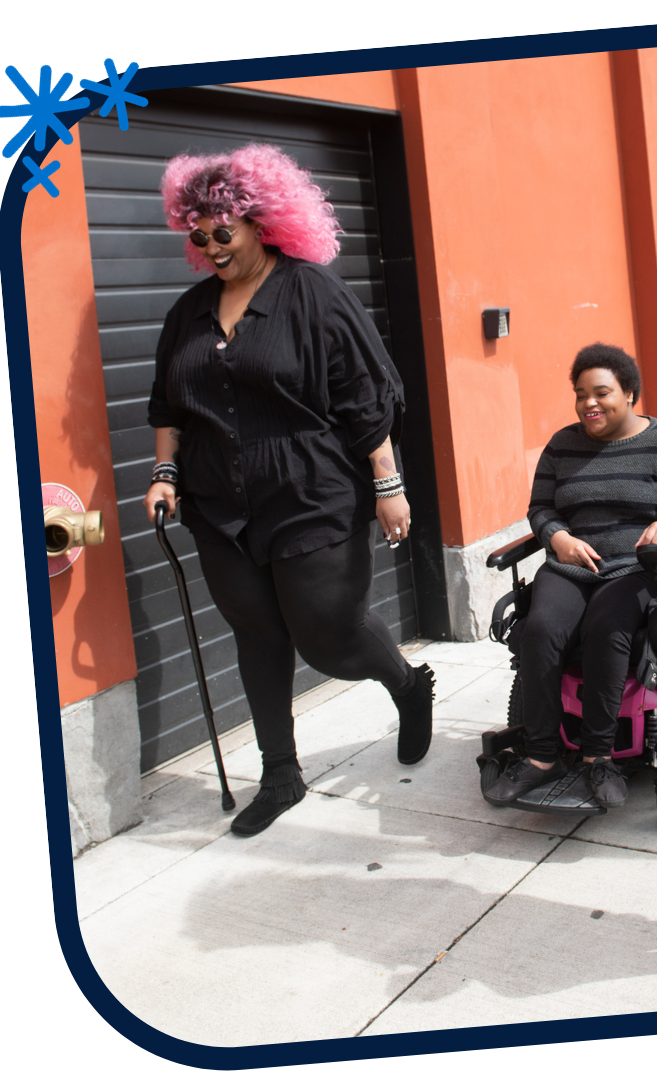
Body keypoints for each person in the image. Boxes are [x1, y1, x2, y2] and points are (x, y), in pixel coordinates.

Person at [144, 144, 434, 838]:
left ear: (261, 221)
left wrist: (388, 484)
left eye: (224, 230)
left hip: (310, 489)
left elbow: (366, 399)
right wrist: (163, 474)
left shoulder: (313, 291)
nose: (210, 245)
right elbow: (167, 404)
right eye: (198, 234)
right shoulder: (189, 313)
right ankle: (281, 774)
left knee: (327, 633)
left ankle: (404, 682)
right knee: (257, 633)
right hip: (220, 502)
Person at [484, 344, 657, 810]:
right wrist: (558, 538)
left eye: (601, 393)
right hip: (570, 567)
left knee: (607, 628)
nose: (588, 404)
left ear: (631, 394)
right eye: (580, 395)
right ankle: (542, 757)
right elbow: (540, 507)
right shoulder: (562, 444)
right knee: (539, 630)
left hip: (634, 569)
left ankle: (598, 758)